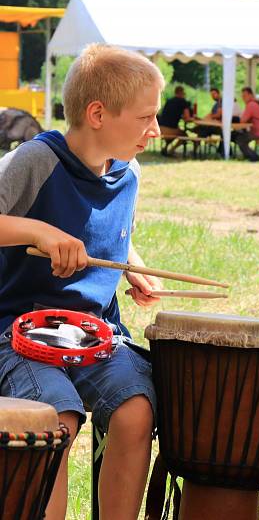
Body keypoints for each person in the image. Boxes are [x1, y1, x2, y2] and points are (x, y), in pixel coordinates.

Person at [0, 44, 164, 520]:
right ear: (97, 113)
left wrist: (132, 264)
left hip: (94, 331)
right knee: (56, 419)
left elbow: (107, 232)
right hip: (17, 331)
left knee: (137, 410)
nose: (154, 129)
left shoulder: (128, 171)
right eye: (145, 117)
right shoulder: (35, 160)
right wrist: (39, 231)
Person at [233, 86, 259, 162]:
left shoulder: (251, 105)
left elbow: (243, 121)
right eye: (242, 96)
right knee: (245, 135)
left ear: (251, 95)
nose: (243, 98)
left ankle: (254, 157)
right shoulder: (258, 103)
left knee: (240, 139)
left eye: (245, 96)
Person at [158, 85, 194, 156]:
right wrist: (194, 119)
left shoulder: (169, 101)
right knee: (184, 135)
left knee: (177, 132)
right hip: (170, 129)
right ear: (182, 93)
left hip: (160, 128)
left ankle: (165, 148)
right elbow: (187, 118)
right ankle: (171, 150)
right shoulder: (183, 102)